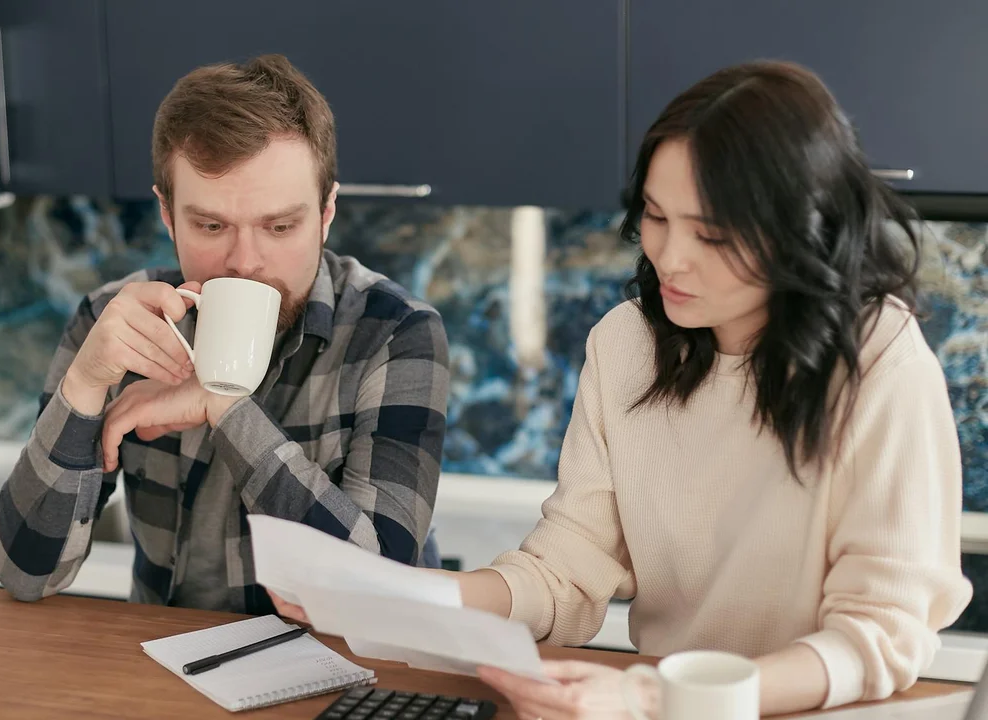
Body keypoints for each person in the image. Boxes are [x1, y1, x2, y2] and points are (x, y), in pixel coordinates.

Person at [273, 61, 972, 718]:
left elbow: (880, 633)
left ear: (800, 229)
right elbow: (567, 570)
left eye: (714, 235)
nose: (669, 256)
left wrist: (659, 696)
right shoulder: (627, 343)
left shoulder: (881, 363)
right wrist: (402, 598)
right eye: (656, 217)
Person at [0, 54, 449, 614]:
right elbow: (25, 574)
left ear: (327, 212)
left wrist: (226, 409)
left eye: (280, 226)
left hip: (349, 676)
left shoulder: (397, 333)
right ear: (167, 214)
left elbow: (383, 590)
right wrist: (83, 384)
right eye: (211, 226)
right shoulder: (117, 325)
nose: (245, 261)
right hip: (172, 668)